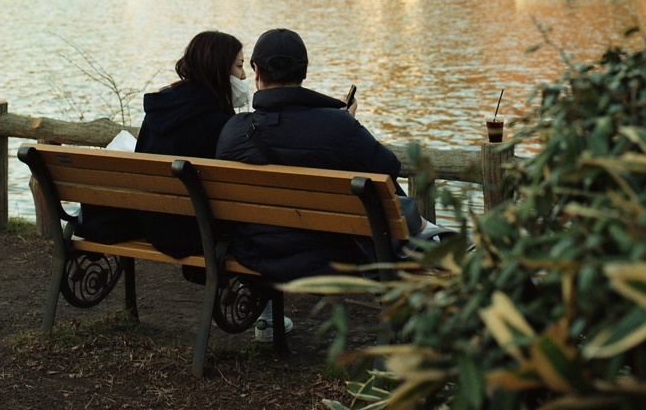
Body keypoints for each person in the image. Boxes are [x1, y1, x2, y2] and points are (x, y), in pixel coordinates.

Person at [215, 28, 429, 286]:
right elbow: (388, 169)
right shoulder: (338, 126)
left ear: (257, 71)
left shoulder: (232, 131)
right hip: (330, 258)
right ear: (304, 72)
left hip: (256, 253)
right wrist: (348, 127)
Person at [77, 31, 249, 260]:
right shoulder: (220, 124)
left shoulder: (160, 109)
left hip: (154, 227)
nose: (244, 76)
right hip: (196, 234)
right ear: (220, 70)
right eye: (239, 66)